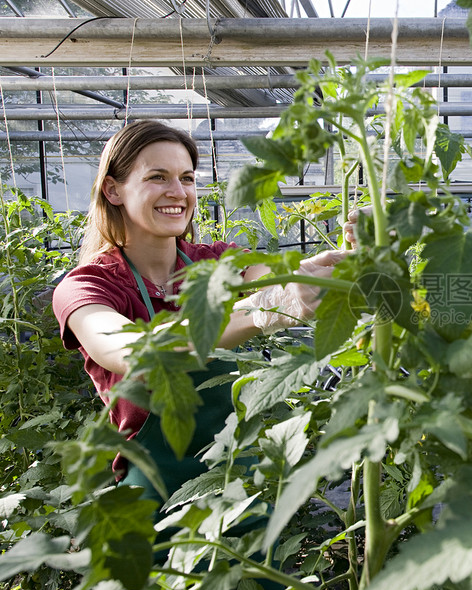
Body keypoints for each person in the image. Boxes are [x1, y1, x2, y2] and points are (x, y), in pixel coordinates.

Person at [52, 119, 344, 499]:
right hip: (153, 494)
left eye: (187, 178)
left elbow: (279, 275)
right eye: (158, 177)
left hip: (237, 479)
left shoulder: (220, 262)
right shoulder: (88, 287)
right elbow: (139, 353)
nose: (178, 192)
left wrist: (340, 263)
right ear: (113, 190)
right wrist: (261, 309)